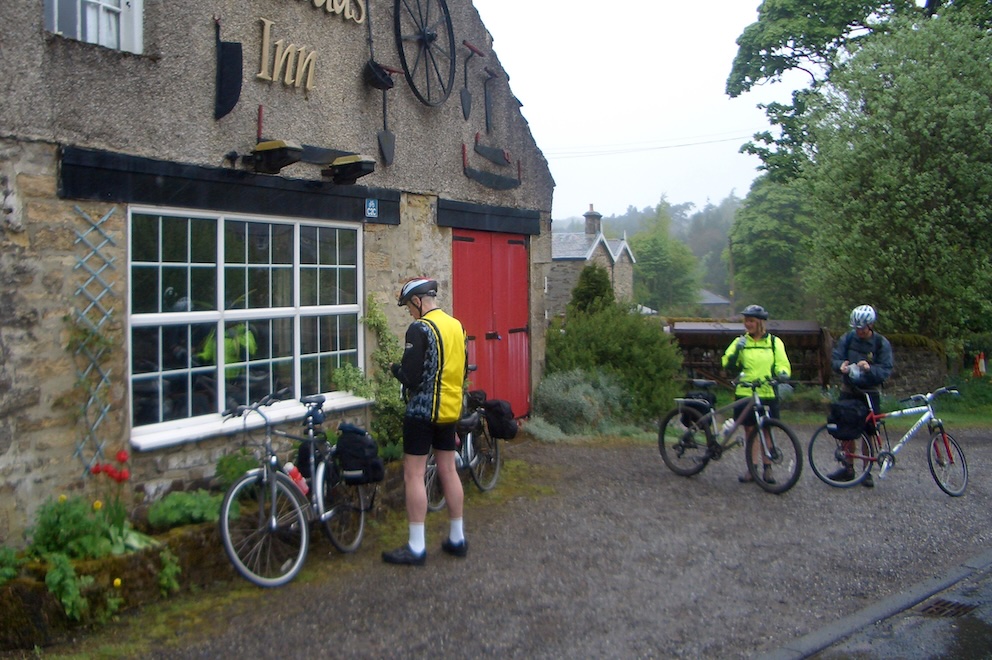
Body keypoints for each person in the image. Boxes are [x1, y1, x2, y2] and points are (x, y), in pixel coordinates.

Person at [383, 277, 469, 566]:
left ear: (418, 302)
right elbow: (463, 369)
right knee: (448, 469)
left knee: (414, 474)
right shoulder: (456, 326)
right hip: (449, 411)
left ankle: (417, 546)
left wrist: (394, 368)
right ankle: (457, 538)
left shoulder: (420, 328)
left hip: (421, 413)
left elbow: (411, 376)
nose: (409, 312)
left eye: (409, 306)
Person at [721, 304, 792, 484]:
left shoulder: (774, 343)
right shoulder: (740, 342)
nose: (748, 324)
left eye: (751, 321)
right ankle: (752, 469)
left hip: (766, 391)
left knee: (766, 429)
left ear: (760, 323)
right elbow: (727, 364)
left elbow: (782, 363)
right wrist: (737, 350)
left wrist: (783, 373)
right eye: (746, 321)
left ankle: (768, 469)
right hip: (745, 392)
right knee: (750, 431)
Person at [829, 304, 894, 488]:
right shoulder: (848, 338)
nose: (859, 331)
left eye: (862, 328)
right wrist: (840, 365)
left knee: (869, 432)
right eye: (856, 328)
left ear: (871, 325)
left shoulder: (881, 343)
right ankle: (848, 468)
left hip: (870, 392)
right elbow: (836, 357)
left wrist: (870, 369)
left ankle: (867, 471)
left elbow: (886, 369)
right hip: (849, 390)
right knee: (846, 431)